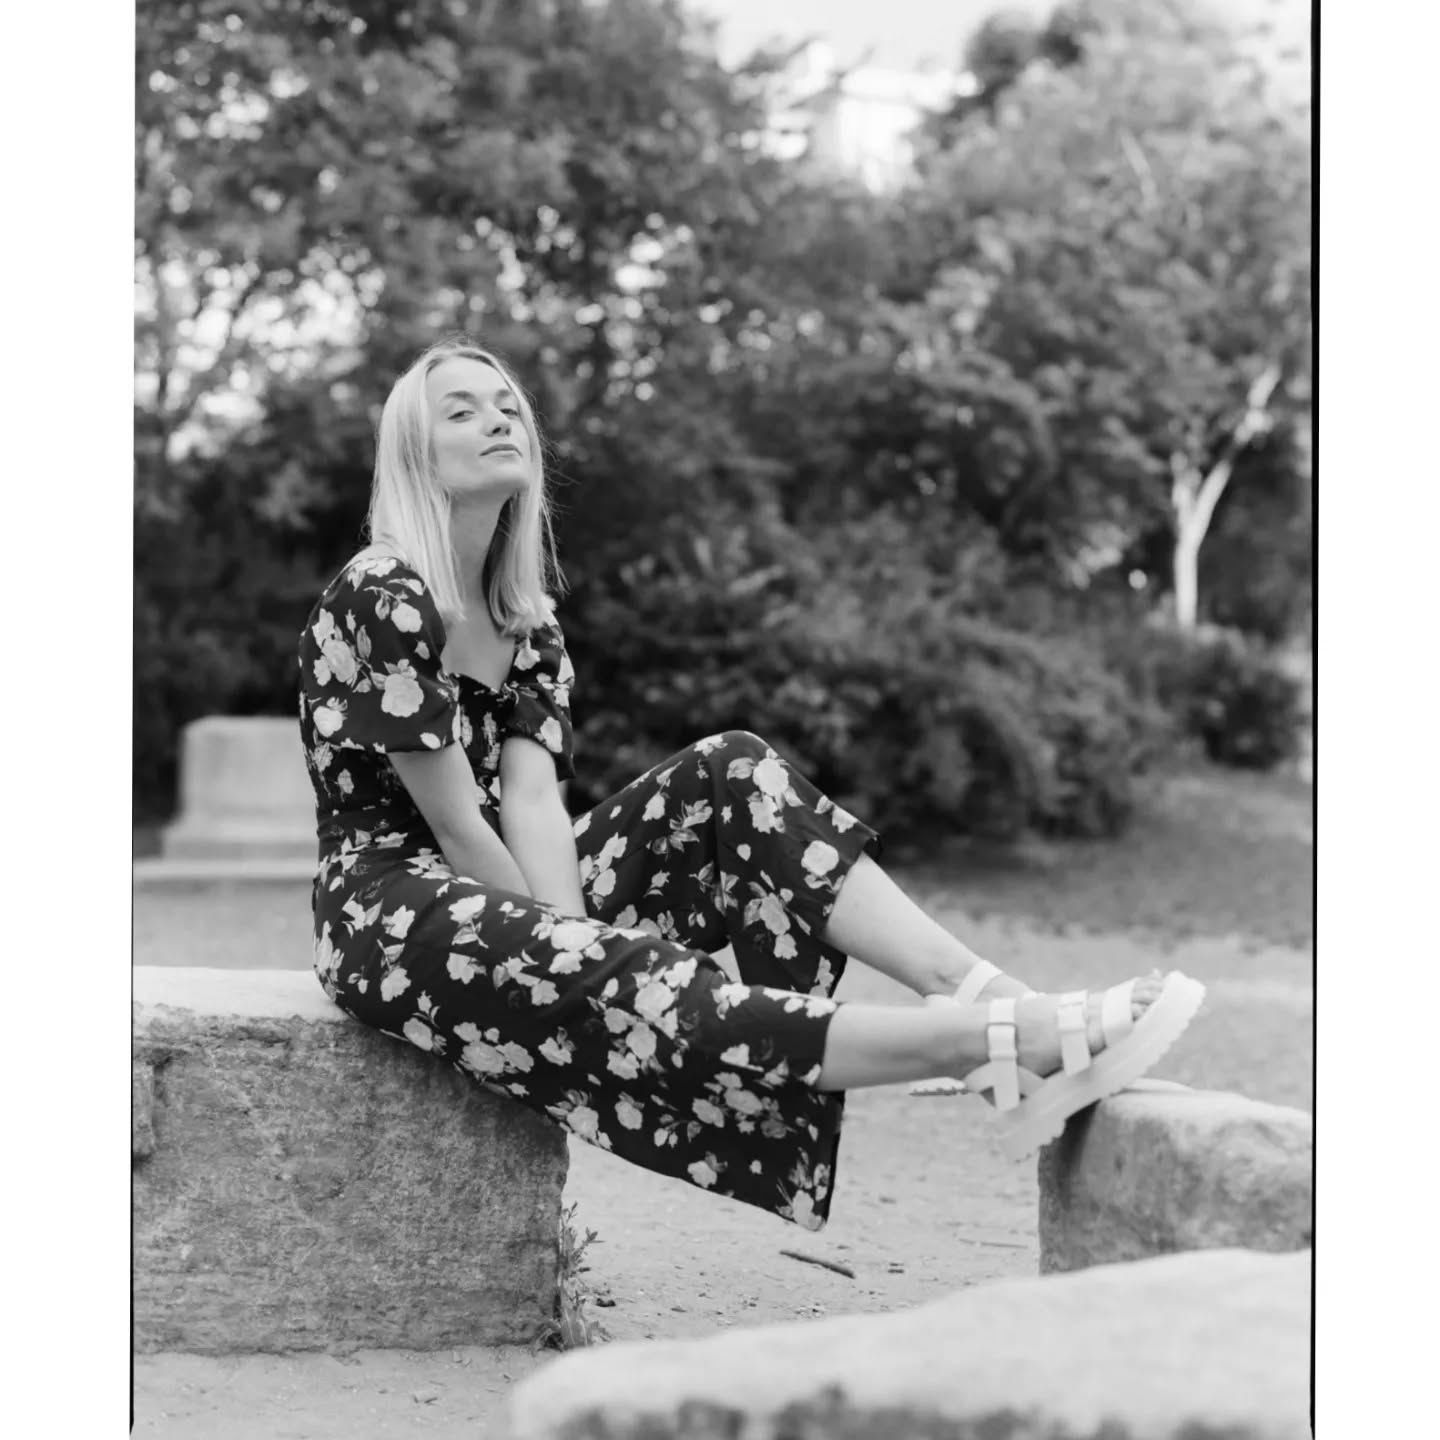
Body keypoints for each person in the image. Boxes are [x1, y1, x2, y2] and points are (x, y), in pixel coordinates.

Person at [297, 336, 1203, 1233]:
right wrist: (578, 960)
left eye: (507, 407)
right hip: (395, 905)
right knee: (638, 974)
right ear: (415, 454)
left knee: (733, 770)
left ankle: (983, 995)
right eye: (462, 412)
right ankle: (991, 1049)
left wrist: (574, 941)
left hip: (510, 890)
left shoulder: (526, 623)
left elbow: (533, 805)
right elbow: (459, 827)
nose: (499, 420)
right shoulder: (384, 593)